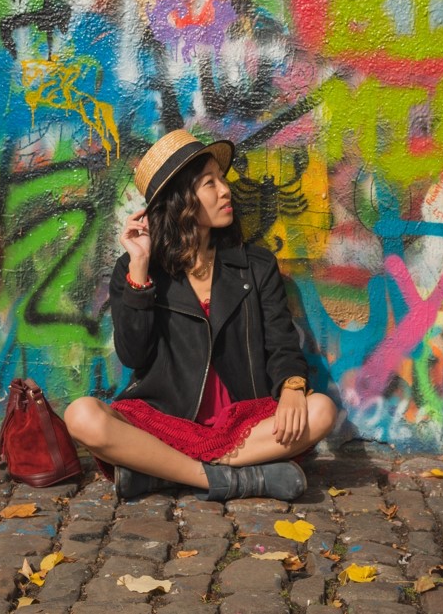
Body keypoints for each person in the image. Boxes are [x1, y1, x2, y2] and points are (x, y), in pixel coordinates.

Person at [65, 130, 337, 501]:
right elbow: (133, 355)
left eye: (222, 180)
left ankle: (161, 473)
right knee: (81, 415)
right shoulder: (135, 270)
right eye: (210, 183)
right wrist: (140, 269)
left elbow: (281, 342)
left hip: (244, 420)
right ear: (180, 201)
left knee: (320, 410)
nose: (226, 191)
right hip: (165, 420)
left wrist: (291, 387)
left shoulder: (255, 267)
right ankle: (227, 479)